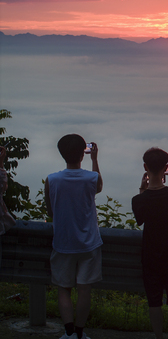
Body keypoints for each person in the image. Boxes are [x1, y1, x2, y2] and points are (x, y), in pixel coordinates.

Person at [44, 134, 103, 339]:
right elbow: (99, 187)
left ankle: (68, 332)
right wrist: (95, 159)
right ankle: (79, 333)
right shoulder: (91, 178)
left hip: (63, 243)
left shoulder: (52, 180)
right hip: (89, 244)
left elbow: (50, 212)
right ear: (82, 154)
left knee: (64, 289)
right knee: (84, 289)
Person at [132, 148, 168, 339]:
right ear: (167, 167)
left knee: (154, 301)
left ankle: (159, 337)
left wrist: (142, 189)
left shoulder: (139, 199)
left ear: (145, 167)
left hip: (151, 256)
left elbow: (140, 219)